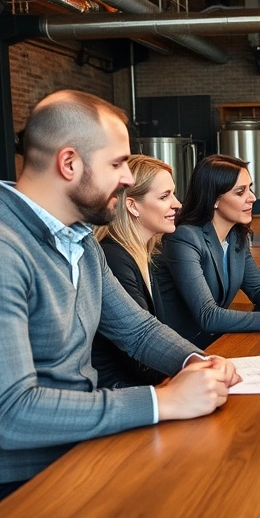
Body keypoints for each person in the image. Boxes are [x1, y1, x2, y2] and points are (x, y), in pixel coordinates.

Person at [0, 90, 240, 508]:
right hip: (0, 482)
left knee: (214, 485)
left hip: (69, 450)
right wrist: (163, 400)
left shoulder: (80, 242)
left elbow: (137, 330)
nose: (126, 178)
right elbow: (13, 415)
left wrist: (197, 362)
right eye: (117, 163)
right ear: (69, 163)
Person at [157, 154, 260, 349]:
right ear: (214, 200)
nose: (252, 198)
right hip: (179, 350)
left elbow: (258, 290)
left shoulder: (235, 236)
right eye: (240, 192)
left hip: (215, 343)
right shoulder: (184, 238)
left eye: (249, 188)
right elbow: (207, 315)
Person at [91, 154, 181, 388]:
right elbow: (136, 353)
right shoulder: (114, 257)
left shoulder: (141, 252)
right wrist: (190, 374)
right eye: (165, 196)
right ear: (132, 205)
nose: (177, 203)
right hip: (120, 393)